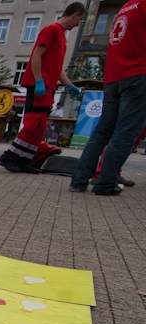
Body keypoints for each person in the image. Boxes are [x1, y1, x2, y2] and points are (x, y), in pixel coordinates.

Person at [69, 0, 146, 195]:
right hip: (138, 74)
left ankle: (79, 180)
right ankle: (106, 183)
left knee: (102, 131)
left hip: (113, 76)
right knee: (126, 131)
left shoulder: (126, 7)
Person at [0, 3, 86, 173]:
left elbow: (56, 67)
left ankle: (24, 159)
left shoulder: (61, 36)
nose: (78, 25)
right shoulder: (52, 29)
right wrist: (38, 80)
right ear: (75, 14)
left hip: (47, 85)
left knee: (40, 125)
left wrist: (69, 85)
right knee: (35, 122)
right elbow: (36, 55)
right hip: (41, 84)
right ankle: (9, 156)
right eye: (80, 20)